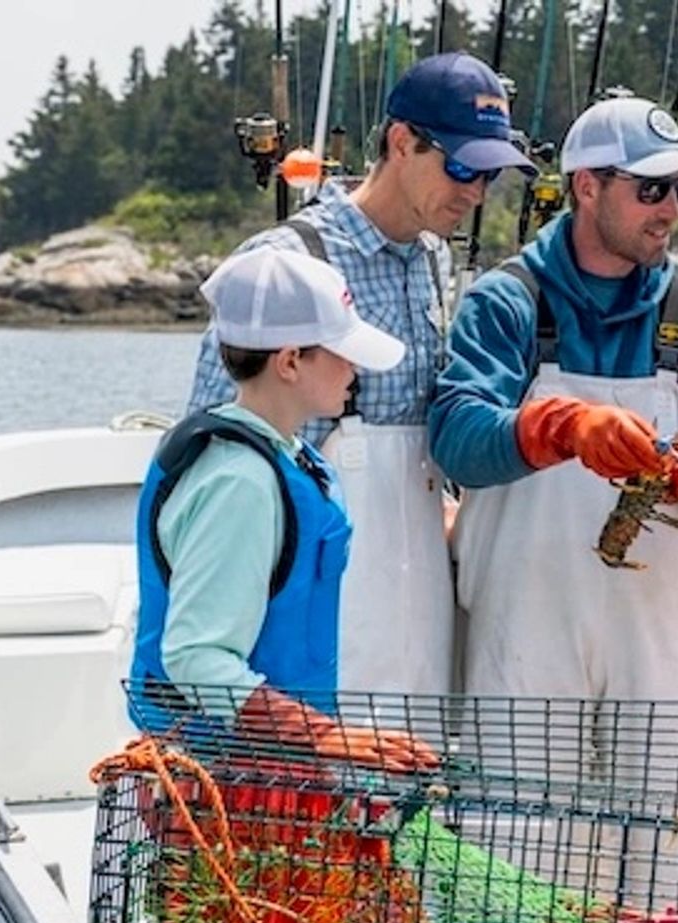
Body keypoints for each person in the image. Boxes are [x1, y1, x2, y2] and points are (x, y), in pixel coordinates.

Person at [187, 52, 536, 697]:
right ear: (401, 143)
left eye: (489, 177)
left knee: (411, 776)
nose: (476, 193)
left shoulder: (434, 261)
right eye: (462, 168)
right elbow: (214, 447)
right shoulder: (287, 261)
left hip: (418, 596)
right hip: (315, 593)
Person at [428, 96, 678, 708]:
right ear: (587, 187)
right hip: (523, 628)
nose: (672, 210)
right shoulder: (506, 302)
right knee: (518, 806)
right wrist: (561, 429)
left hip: (655, 636)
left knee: (671, 805)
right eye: (652, 190)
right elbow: (455, 441)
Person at [131, 247, 435, 770]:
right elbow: (196, 658)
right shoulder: (241, 483)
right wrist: (323, 736)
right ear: (290, 361)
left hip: (273, 766)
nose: (354, 369)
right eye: (341, 351)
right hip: (224, 778)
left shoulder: (286, 455)